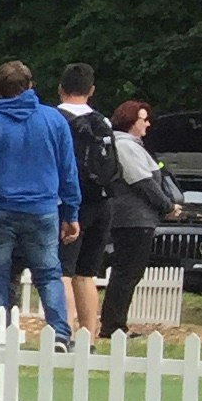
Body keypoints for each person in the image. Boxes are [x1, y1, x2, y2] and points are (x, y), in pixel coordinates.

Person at [0, 59, 81, 346]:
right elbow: (68, 170)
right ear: (31, 85)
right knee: (49, 274)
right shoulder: (54, 120)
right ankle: (60, 332)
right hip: (42, 208)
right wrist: (71, 211)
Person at [99, 99, 184, 341]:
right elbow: (143, 183)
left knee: (129, 272)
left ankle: (116, 324)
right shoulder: (125, 146)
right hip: (133, 220)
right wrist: (166, 206)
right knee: (127, 272)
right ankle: (112, 326)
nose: (148, 123)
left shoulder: (133, 145)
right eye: (143, 119)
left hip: (139, 219)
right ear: (130, 122)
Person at [57, 64, 122, 341]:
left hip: (69, 203)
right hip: (102, 202)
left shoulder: (56, 119)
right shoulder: (103, 122)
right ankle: (89, 336)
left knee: (62, 271)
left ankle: (66, 334)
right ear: (91, 90)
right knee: (86, 274)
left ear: (60, 88)